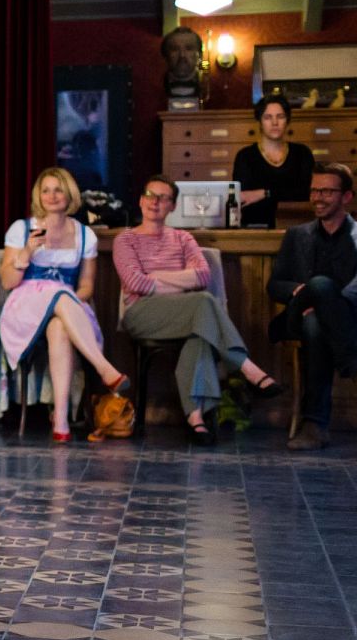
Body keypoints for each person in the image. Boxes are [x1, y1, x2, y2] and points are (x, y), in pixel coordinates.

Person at [113, 175, 282, 446]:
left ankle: (196, 419)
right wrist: (181, 282)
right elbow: (136, 284)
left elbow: (202, 276)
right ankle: (246, 367)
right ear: (141, 200)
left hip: (185, 313)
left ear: (173, 206)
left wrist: (156, 276)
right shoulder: (126, 240)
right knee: (202, 302)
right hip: (142, 314)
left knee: (201, 332)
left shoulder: (183, 238)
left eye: (163, 198)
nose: (155, 202)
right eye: (150, 195)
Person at [0, 167, 129, 442]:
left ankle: (61, 421)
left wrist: (71, 302)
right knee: (58, 295)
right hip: (25, 305)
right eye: (46, 190)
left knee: (59, 327)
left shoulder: (85, 235)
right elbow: (8, 281)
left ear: (69, 195)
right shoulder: (21, 229)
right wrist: (28, 251)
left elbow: (86, 286)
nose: (52, 196)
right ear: (38, 196)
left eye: (58, 189)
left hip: (68, 306)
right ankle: (104, 368)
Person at [268, 164, 357, 451]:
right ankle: (355, 367)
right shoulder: (297, 235)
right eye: (314, 190)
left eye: (327, 191)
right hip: (298, 313)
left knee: (318, 321)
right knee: (319, 287)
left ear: (346, 197)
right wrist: (302, 292)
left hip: (345, 319)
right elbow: (275, 285)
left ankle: (315, 426)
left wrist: (327, 306)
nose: (318, 197)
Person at [232, 94, 312, 228]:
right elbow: (244, 197)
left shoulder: (302, 153)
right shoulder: (245, 156)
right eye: (268, 117)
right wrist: (281, 193)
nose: (275, 123)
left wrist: (263, 193)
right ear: (260, 122)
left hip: (297, 226)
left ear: (288, 120)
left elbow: (305, 192)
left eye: (280, 116)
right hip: (256, 228)